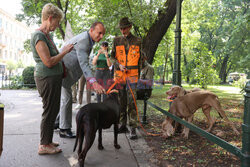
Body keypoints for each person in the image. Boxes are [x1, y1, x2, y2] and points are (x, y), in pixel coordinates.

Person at [30, 3, 74, 154]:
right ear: (50, 18)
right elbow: (48, 62)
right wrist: (65, 52)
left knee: (53, 109)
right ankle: (43, 145)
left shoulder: (47, 35)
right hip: (46, 79)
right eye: (57, 21)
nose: (57, 24)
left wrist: (62, 66)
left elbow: (53, 58)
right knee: (49, 110)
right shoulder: (39, 36)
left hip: (53, 78)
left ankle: (47, 141)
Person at [58, 22, 106, 138]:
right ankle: (64, 129)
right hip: (62, 71)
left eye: (103, 34)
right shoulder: (84, 41)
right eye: (99, 33)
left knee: (66, 99)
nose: (101, 36)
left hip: (64, 71)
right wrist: (94, 83)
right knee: (67, 99)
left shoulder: (88, 40)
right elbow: (84, 64)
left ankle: (58, 122)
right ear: (91, 30)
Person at [110, 17, 144, 140]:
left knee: (132, 102)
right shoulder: (116, 40)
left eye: (124, 28)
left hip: (133, 77)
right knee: (121, 102)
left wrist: (139, 76)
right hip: (119, 76)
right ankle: (122, 125)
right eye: (121, 28)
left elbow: (140, 60)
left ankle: (133, 128)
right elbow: (112, 57)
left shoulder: (138, 40)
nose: (122, 30)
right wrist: (118, 65)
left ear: (129, 27)